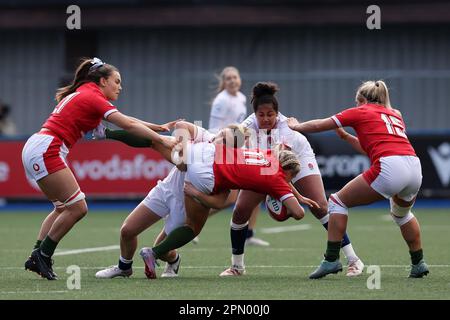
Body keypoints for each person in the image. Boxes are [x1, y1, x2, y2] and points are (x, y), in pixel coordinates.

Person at [22, 57, 177, 280]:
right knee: (78, 207)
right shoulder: (93, 96)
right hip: (48, 148)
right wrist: (163, 141)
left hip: (38, 145)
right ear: (103, 81)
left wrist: (157, 128)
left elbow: (128, 120)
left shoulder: (85, 92)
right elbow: (128, 124)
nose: (120, 87)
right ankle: (42, 256)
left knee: (61, 208)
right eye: (117, 81)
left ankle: (37, 254)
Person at [138, 121, 318, 279]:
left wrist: (297, 194)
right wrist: (289, 199)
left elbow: (282, 173)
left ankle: (117, 132)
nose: (289, 182)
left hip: (204, 152)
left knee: (156, 142)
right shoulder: (277, 180)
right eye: (291, 178)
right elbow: (298, 213)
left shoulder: (269, 155)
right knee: (193, 227)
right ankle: (154, 253)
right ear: (286, 172)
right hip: (208, 174)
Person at [287, 80, 429, 279]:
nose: (356, 105)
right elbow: (369, 148)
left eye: (357, 102)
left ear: (362, 99)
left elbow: (320, 124)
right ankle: (418, 263)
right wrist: (345, 137)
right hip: (414, 167)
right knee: (402, 215)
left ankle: (331, 260)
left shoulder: (360, 111)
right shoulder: (395, 114)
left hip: (390, 166)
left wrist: (296, 126)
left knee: (336, 202)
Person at [220, 82, 364, 277]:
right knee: (240, 211)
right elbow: (229, 138)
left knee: (320, 206)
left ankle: (354, 260)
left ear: (277, 113)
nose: (265, 119)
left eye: (270, 114)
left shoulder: (285, 127)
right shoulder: (249, 124)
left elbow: (282, 166)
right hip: (264, 164)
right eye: (261, 115)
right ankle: (237, 267)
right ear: (255, 114)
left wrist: (283, 194)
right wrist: (217, 140)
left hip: (297, 159)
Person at [95, 123, 222, 279]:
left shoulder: (226, 164)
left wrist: (196, 192)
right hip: (166, 190)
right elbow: (164, 134)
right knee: (127, 231)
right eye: (222, 135)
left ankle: (174, 260)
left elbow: (225, 200)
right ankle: (124, 268)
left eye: (226, 141)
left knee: (161, 251)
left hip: (186, 204)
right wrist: (109, 134)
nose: (220, 139)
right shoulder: (204, 139)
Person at [208, 66, 269, 247]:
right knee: (230, 199)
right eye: (228, 78)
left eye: (235, 77)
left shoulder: (242, 98)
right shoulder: (221, 100)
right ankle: (192, 218)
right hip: (227, 150)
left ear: (240, 79)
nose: (233, 80)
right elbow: (214, 129)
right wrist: (221, 147)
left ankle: (249, 234)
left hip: (240, 150)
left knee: (257, 189)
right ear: (224, 82)